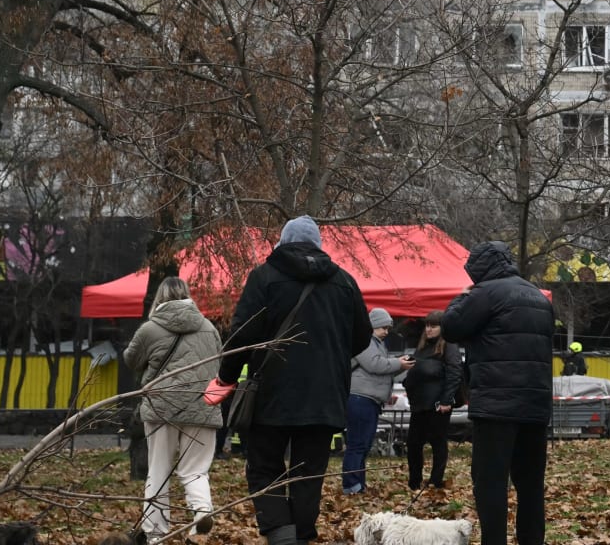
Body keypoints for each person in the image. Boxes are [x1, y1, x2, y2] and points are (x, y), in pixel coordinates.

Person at [218, 216, 371, 545]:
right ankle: (299, 538)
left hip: (271, 395)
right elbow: (361, 337)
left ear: (282, 241)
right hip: (324, 396)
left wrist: (225, 378)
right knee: (308, 474)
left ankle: (281, 535)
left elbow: (241, 337)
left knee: (264, 468)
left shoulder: (264, 278)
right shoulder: (344, 282)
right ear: (318, 244)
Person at [443, 241, 556, 545]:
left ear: (479, 270)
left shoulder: (485, 293)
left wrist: (460, 298)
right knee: (530, 485)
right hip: (535, 404)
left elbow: (451, 327)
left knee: (490, 484)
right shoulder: (538, 297)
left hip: (496, 406)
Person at [124, 276, 222, 542]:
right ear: (187, 295)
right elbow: (218, 365)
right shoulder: (208, 328)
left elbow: (131, 360)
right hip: (202, 407)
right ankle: (201, 511)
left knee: (158, 470)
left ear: (160, 297)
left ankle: (155, 534)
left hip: (161, 407)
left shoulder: (150, 329)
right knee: (195, 470)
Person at [344, 308, 414, 493]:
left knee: (363, 444)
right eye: (382, 327)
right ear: (372, 325)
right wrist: (398, 363)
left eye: (388, 328)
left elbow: (382, 367)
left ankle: (358, 483)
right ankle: (351, 484)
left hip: (369, 399)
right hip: (361, 398)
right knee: (358, 444)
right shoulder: (365, 341)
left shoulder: (376, 343)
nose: (386, 331)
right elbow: (374, 364)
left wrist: (400, 365)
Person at [401, 310, 462, 491]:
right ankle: (415, 480)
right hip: (419, 403)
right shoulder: (422, 347)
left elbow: (454, 373)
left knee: (437, 442)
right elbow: (414, 369)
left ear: (441, 328)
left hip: (437, 404)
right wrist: (408, 383)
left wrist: (446, 399)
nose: (428, 329)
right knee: (413, 443)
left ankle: (436, 480)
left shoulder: (448, 346)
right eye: (427, 325)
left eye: (433, 326)